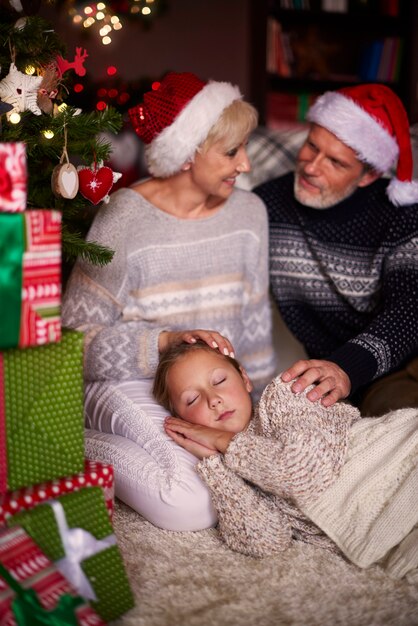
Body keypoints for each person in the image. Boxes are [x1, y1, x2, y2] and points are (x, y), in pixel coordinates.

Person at [61, 71, 277, 531]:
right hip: (129, 382)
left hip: (215, 390)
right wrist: (162, 342)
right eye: (231, 152)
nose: (245, 166)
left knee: (259, 471)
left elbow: (254, 320)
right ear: (186, 153)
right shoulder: (123, 217)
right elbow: (73, 342)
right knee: (193, 504)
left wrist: (264, 411)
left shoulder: (250, 213)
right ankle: (73, 442)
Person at [154, 340, 418, 580]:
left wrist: (220, 440)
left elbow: (303, 474)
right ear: (184, 421)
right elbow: (266, 540)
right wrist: (213, 463)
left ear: (245, 379)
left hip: (400, 456)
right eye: (193, 399)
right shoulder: (228, 470)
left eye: (219, 380)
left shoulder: (285, 397)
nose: (214, 400)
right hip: (388, 529)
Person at [254, 83, 418, 416]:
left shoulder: (403, 214)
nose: (312, 166)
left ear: (368, 175)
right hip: (332, 376)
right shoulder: (267, 203)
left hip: (402, 364)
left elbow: (411, 307)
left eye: (336, 162)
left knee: (398, 422)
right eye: (311, 145)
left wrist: (346, 367)